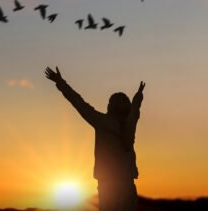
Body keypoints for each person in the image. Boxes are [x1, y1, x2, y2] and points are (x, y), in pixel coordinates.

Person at [44, 66, 145, 211]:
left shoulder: (101, 122)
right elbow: (135, 109)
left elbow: (79, 103)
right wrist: (138, 96)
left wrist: (60, 83)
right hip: (127, 182)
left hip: (108, 184)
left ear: (110, 106)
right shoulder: (130, 123)